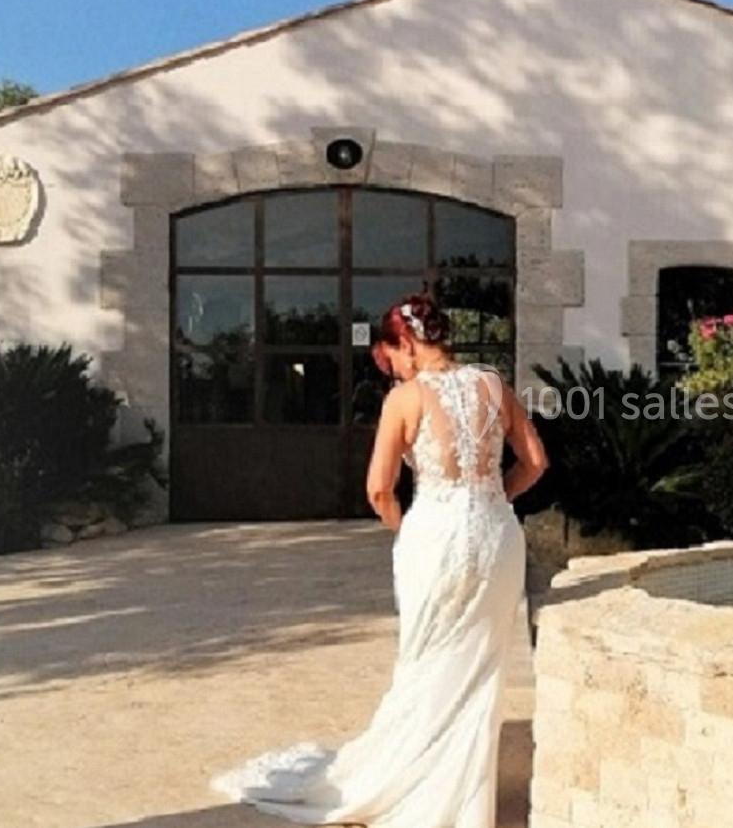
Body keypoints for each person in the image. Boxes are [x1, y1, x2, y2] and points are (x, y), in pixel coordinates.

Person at [210, 293, 548, 828]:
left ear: (406, 342)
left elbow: (378, 489)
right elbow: (535, 462)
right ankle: (466, 803)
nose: (395, 368)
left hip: (435, 537)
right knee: (481, 667)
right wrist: (494, 500)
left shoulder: (405, 399)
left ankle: (422, 789)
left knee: (425, 662)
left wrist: (405, 527)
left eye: (393, 357)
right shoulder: (493, 385)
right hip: (496, 537)